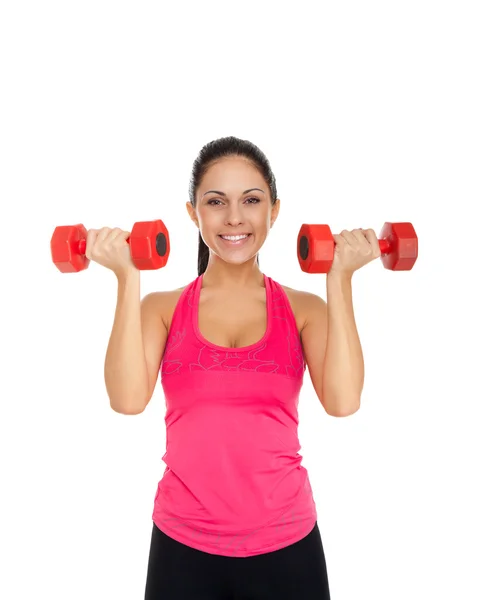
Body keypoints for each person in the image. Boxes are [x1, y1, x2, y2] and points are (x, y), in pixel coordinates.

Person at [85, 136, 381, 599]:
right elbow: (126, 401)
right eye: (216, 202)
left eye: (251, 200)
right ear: (193, 213)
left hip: (288, 542)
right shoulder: (162, 308)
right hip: (183, 543)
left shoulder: (304, 310)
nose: (235, 218)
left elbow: (343, 402)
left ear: (274, 211)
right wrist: (128, 276)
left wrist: (339, 279)